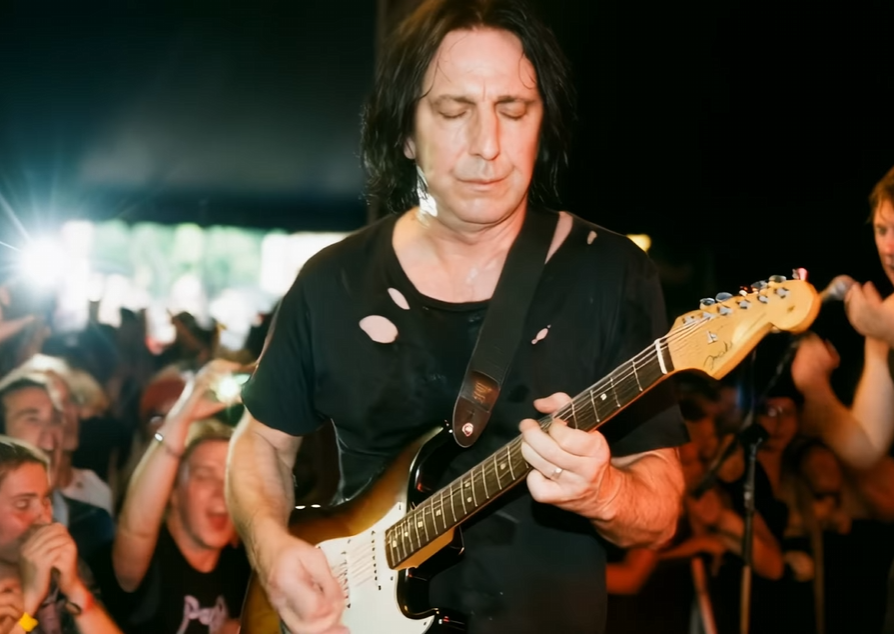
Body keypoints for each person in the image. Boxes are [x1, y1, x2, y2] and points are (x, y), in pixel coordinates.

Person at [226, 1, 687, 633]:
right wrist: (269, 548)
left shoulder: (612, 275)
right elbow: (259, 443)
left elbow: (661, 510)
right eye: (453, 111)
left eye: (513, 110)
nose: (488, 145)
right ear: (405, 132)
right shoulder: (332, 281)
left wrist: (603, 491)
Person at [90, 361, 250, 634]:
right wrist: (183, 415)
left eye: (230, 478)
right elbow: (135, 529)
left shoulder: (239, 568)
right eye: (204, 475)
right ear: (172, 492)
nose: (221, 490)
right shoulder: (148, 563)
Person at [0, 435, 121, 634]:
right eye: (23, 504)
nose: (44, 517)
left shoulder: (57, 565)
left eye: (46, 500)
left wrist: (74, 589)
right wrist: (29, 604)